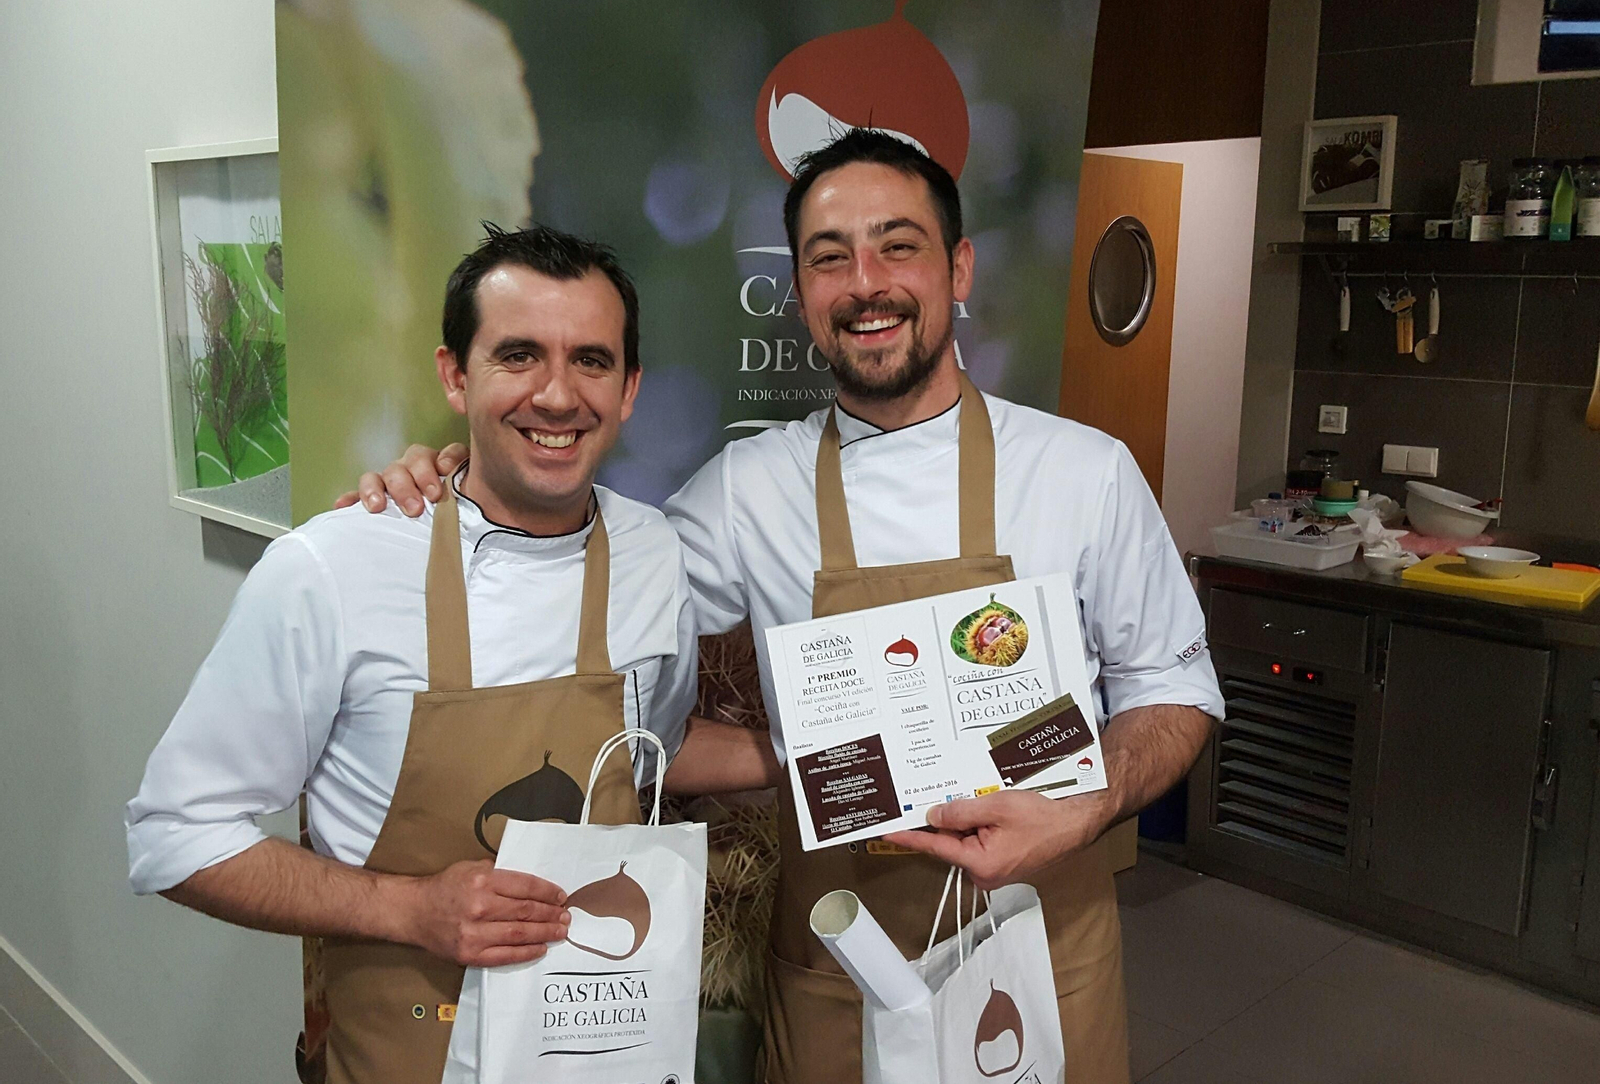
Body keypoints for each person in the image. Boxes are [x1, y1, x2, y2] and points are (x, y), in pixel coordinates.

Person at [348, 131, 1226, 1084]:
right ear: (801, 294)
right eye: (828, 257)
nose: (866, 282)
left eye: (899, 245)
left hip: (1046, 946)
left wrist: (1089, 806)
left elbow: (1174, 689)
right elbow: (580, 603)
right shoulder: (743, 493)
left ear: (958, 267)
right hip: (838, 967)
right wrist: (457, 482)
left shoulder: (1083, 472)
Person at [126, 224, 775, 1084]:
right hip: (407, 1051)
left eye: (590, 360)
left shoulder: (654, 554)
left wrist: (850, 756)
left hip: (603, 1054)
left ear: (629, 390)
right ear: (454, 374)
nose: (556, 394)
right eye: (518, 355)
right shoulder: (331, 567)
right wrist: (411, 908)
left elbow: (654, 751)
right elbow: (173, 834)